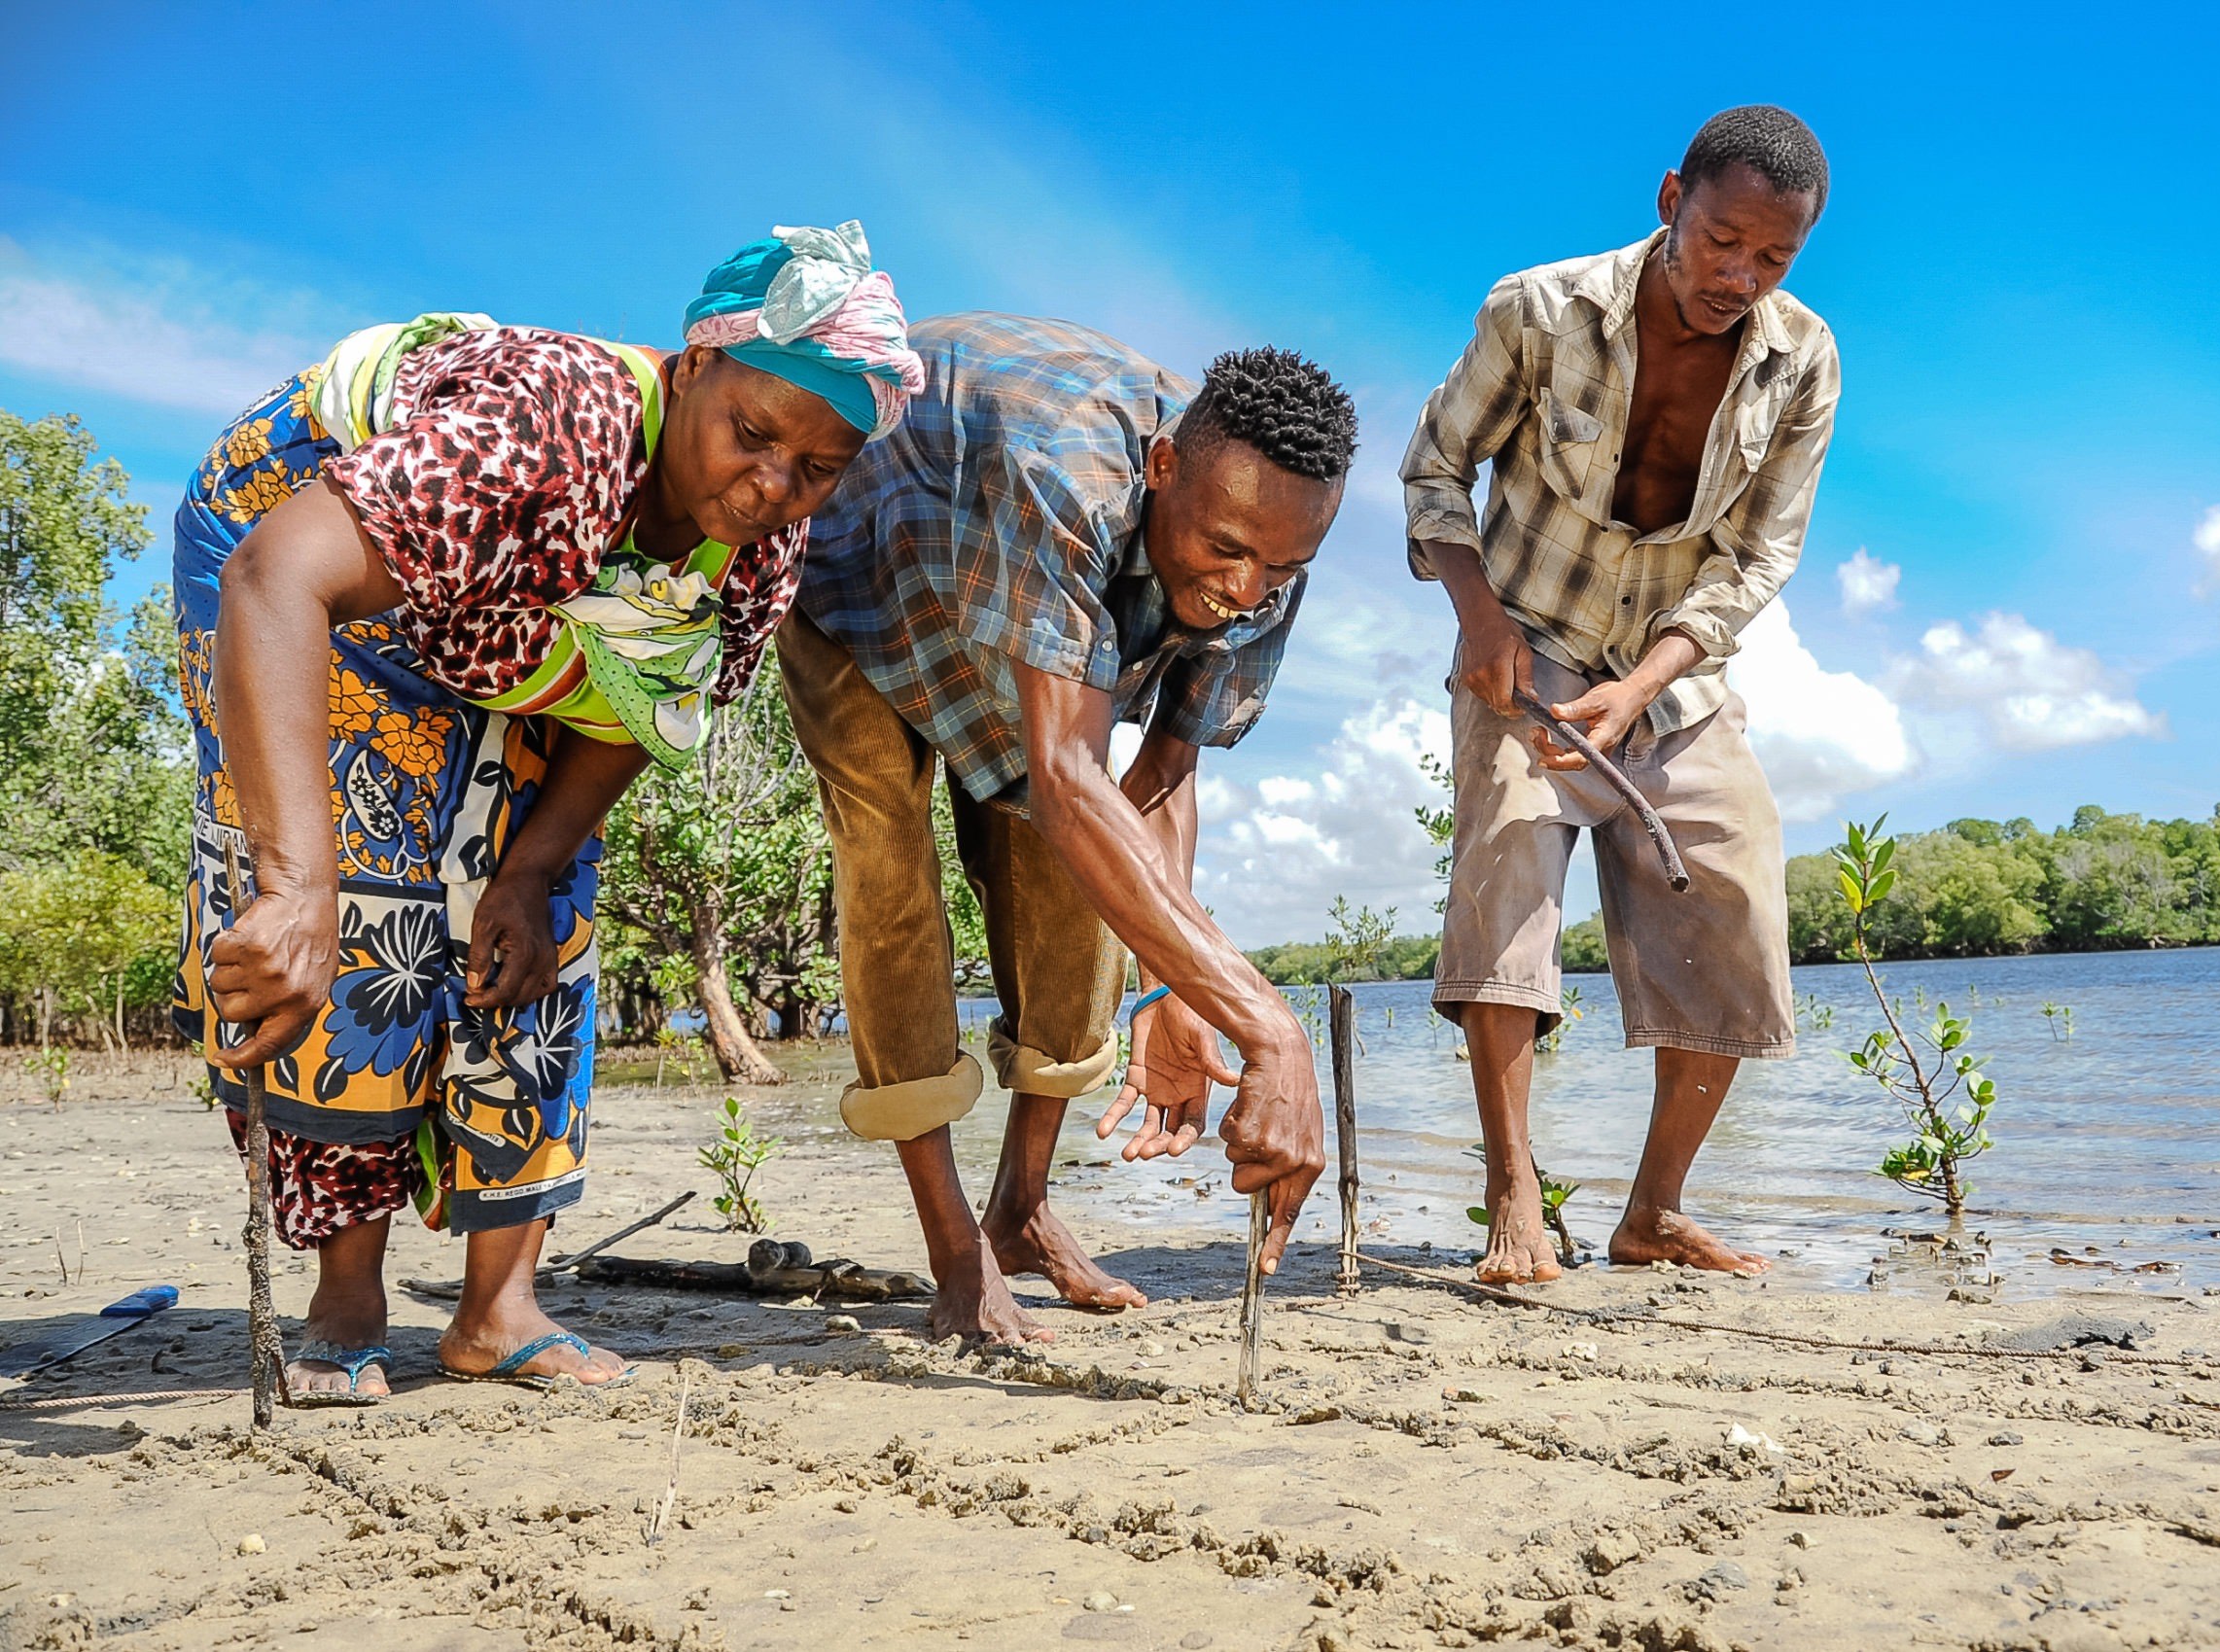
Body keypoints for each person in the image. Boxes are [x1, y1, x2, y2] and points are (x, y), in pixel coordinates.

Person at [175, 224, 923, 1401]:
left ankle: (497, 1306)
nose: (773, 483)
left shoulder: (760, 544)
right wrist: (294, 882)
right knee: (365, 895)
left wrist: (529, 868)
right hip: (296, 560)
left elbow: (633, 706)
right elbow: (279, 576)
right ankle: (347, 1289)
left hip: (516, 619)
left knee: (537, 916)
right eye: (753, 432)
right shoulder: (548, 427)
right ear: (689, 371)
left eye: (817, 468)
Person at [782, 312, 1356, 1343]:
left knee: (1062, 873)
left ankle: (1022, 1207)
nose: (1243, 591)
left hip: (1022, 631)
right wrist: (1267, 1024)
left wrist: (1176, 983)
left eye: (1278, 569)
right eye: (1224, 550)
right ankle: (956, 1247)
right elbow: (1066, 776)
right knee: (889, 876)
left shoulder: (1266, 553)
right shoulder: (1068, 477)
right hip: (870, 580)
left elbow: (1163, 772)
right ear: (1163, 464)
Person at [1401, 106, 1841, 1282]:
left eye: (1773, 257)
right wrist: (1479, 621)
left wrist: (1646, 679)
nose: (1738, 276)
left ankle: (1652, 1214)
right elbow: (1434, 466)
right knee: (1509, 870)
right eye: (1721, 241)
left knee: (1737, 891)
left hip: (1670, 670)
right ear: (1668, 201)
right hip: (1528, 636)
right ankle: (1513, 1201)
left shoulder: (1802, 359)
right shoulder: (1535, 310)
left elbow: (1760, 558)